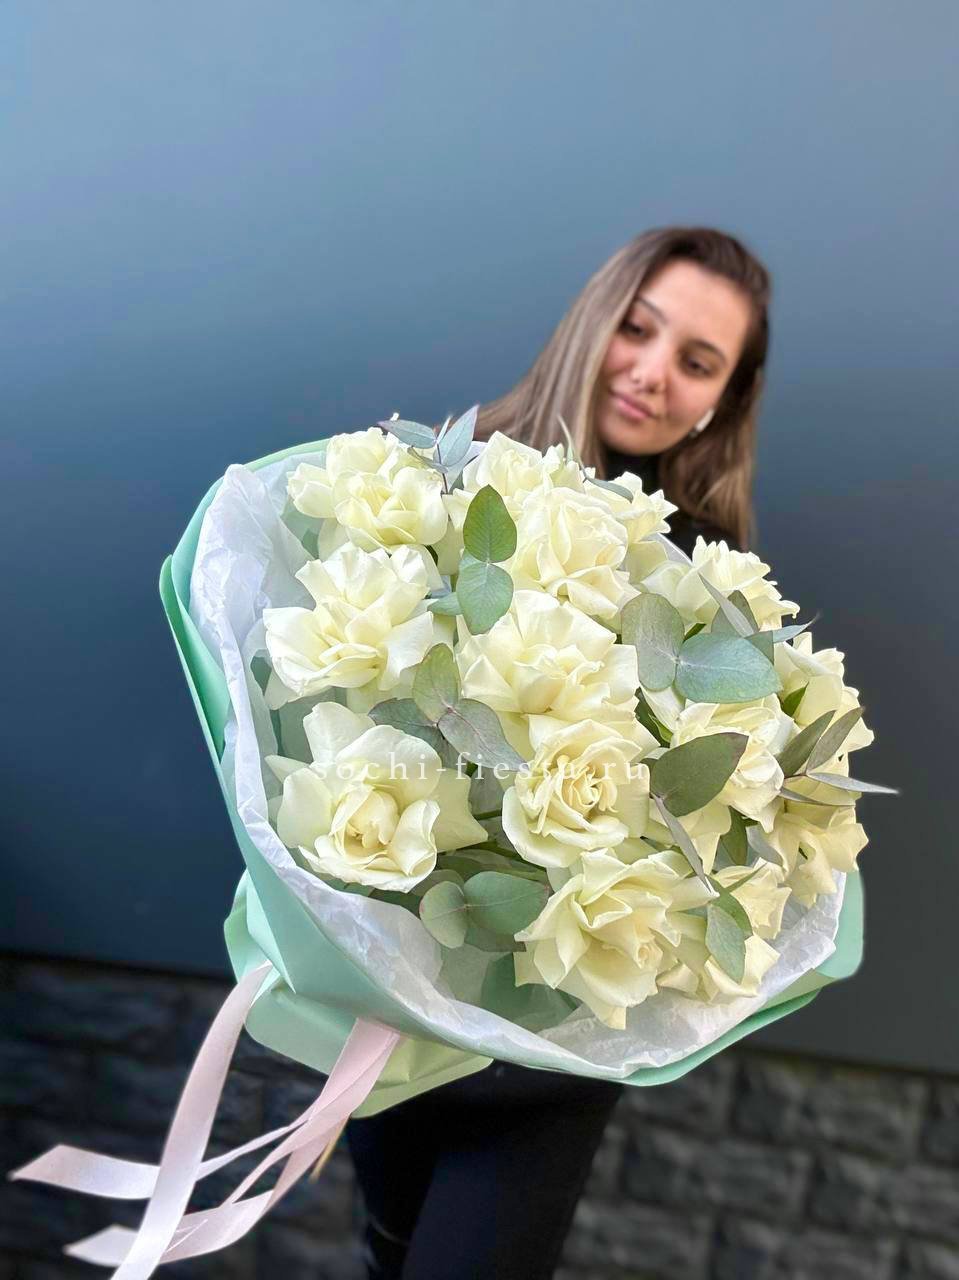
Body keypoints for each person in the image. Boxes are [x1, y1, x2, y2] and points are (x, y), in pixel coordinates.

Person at [346, 225, 773, 1279]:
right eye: (638, 328)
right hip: (397, 987)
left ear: (718, 402)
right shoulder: (438, 482)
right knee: (387, 1251)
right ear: (594, 318)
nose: (651, 371)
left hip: (552, 1037)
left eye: (696, 362)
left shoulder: (704, 578)